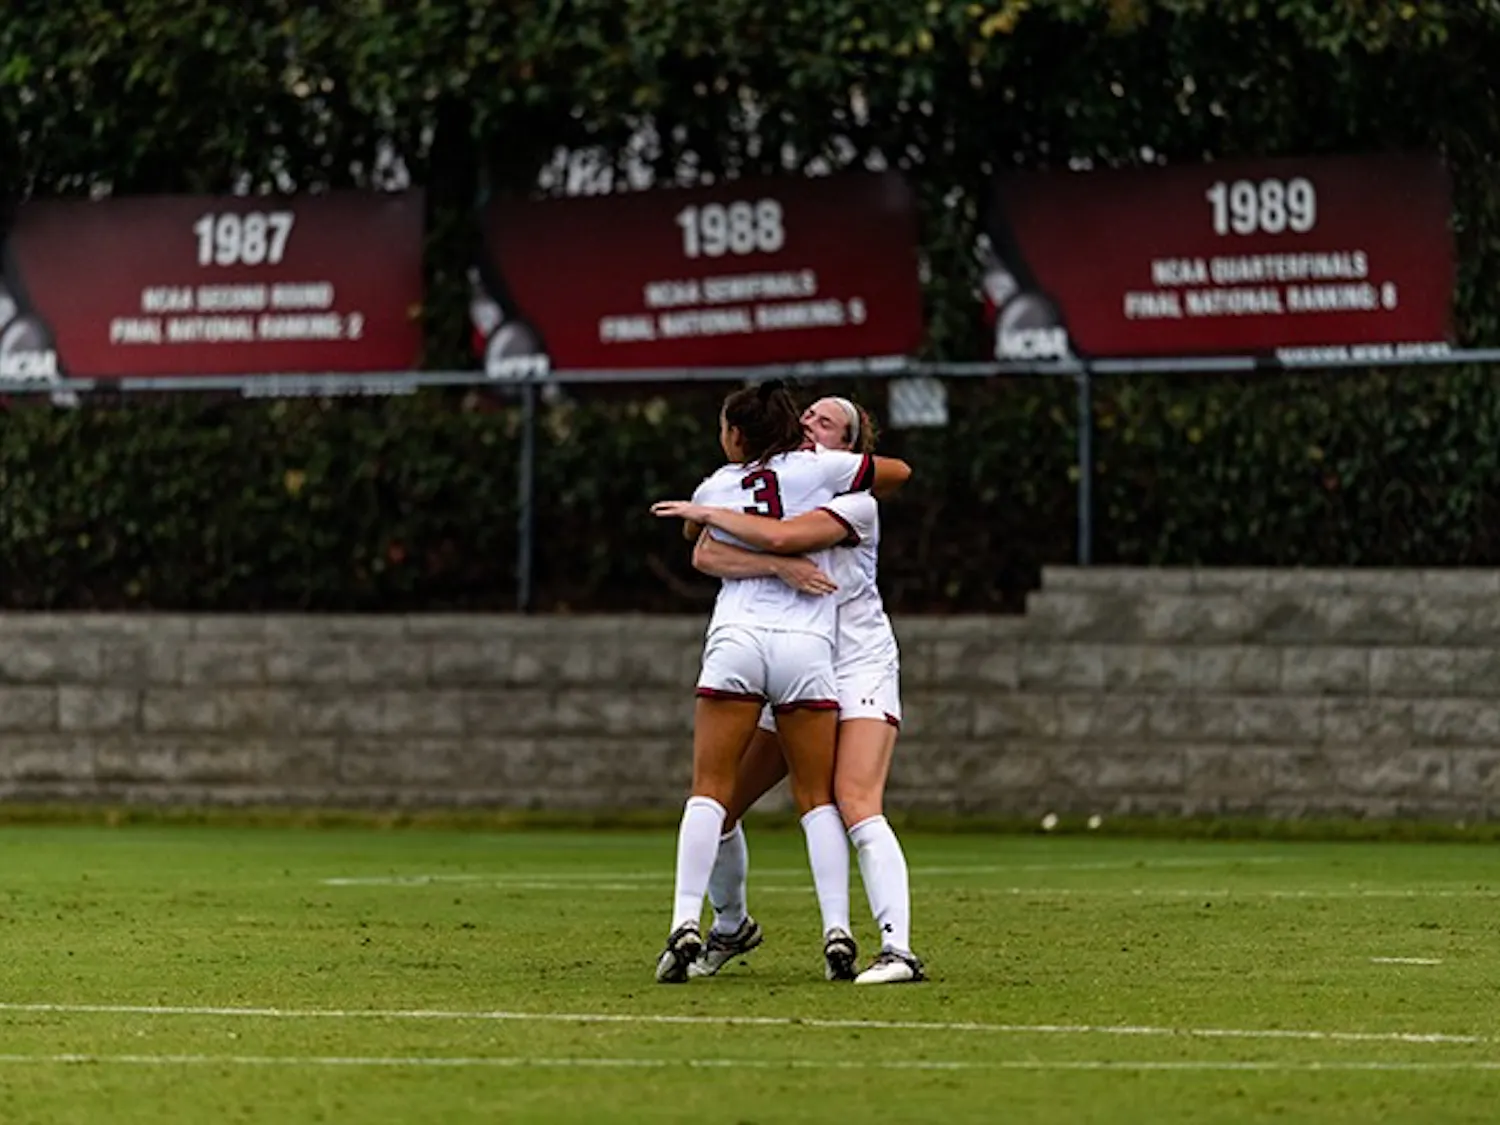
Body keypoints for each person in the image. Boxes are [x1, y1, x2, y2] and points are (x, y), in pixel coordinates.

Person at [648, 382, 912, 984]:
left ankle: (895, 948)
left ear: (849, 447)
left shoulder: (853, 499)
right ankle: (728, 927)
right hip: (798, 655)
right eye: (808, 415)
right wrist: (741, 537)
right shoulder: (776, 480)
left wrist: (712, 512)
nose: (812, 424)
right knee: (724, 806)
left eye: (827, 422)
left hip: (857, 663)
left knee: (853, 800)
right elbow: (710, 556)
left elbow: (784, 537)